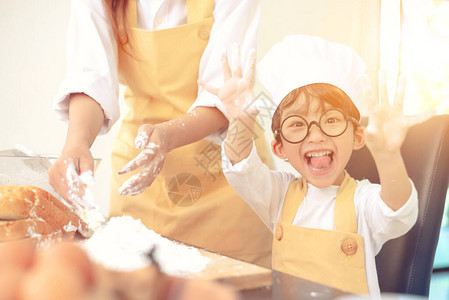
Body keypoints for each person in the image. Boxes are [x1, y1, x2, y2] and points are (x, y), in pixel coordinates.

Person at [201, 35, 433, 297]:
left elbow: (398, 212)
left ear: (357, 137)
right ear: (280, 147)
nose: (315, 135)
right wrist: (241, 119)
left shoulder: (362, 201)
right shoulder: (278, 196)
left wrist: (388, 155)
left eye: (331, 120)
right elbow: (240, 166)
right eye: (297, 124)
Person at [48, 0, 273, 267]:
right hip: (139, 179)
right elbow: (91, 75)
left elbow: (225, 94)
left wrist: (167, 136)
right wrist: (76, 144)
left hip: (226, 179)